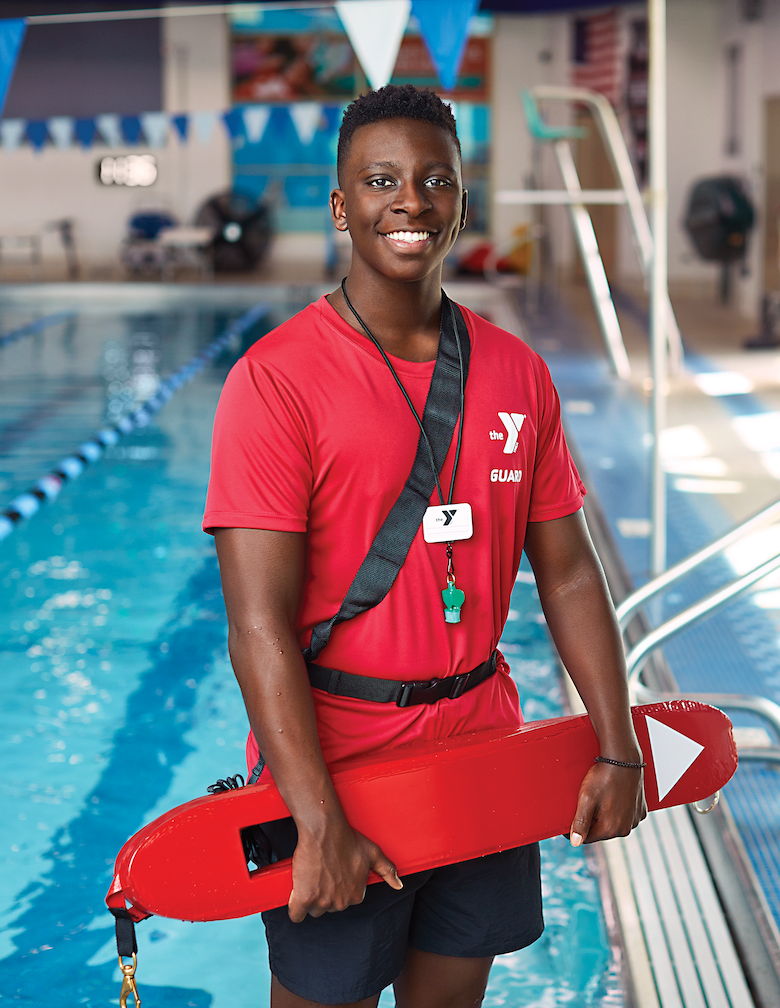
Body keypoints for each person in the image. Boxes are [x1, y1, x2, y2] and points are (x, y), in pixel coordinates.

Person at [203, 84, 645, 1008]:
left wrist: (618, 747)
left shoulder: (516, 369)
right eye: (380, 180)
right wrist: (316, 820)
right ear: (340, 207)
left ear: (461, 206)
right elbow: (257, 626)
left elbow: (567, 575)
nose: (409, 201)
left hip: (481, 755)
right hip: (338, 767)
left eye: (433, 180)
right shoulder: (275, 381)